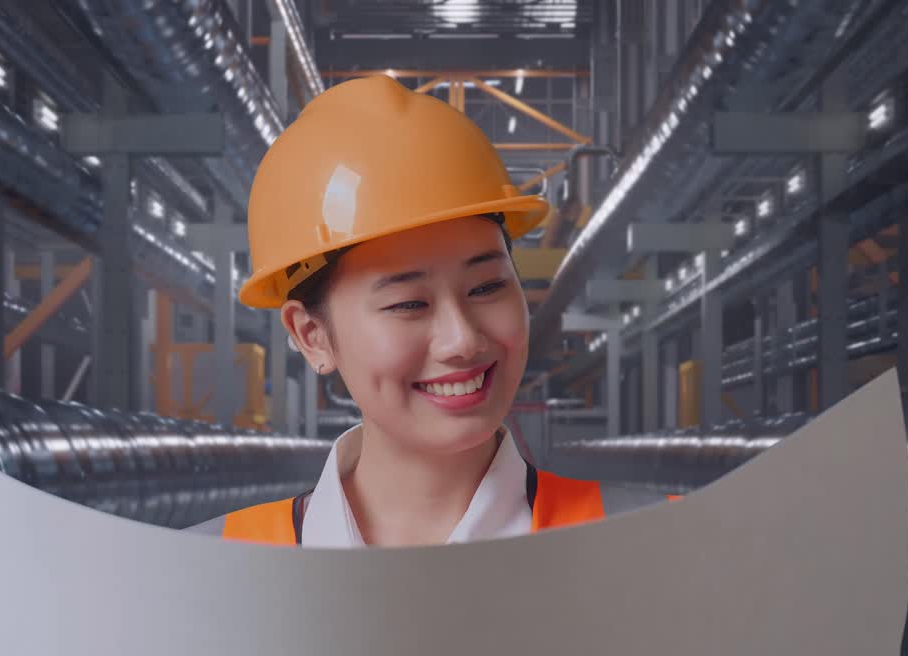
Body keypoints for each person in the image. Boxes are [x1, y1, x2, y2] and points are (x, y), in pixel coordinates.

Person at [188, 75, 671, 547]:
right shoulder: (212, 570)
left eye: (487, 287)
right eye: (408, 304)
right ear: (312, 335)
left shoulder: (657, 548)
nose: (462, 339)